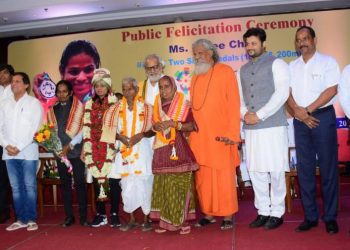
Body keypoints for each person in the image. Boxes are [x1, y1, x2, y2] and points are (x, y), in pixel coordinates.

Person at [288, 26, 340, 234]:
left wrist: (308, 110)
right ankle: (310, 216)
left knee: (328, 169)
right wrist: (299, 112)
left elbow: (332, 89)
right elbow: (287, 93)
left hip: (323, 117)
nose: (302, 42)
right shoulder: (291, 66)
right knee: (305, 170)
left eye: (306, 38)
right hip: (300, 120)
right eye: (299, 40)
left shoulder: (328, 62)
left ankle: (330, 217)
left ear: (314, 40)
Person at [238, 28, 290, 230]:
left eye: (254, 43)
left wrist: (259, 115)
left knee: (276, 169)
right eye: (247, 44)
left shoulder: (277, 64)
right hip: (251, 128)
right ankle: (263, 211)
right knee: (256, 170)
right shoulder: (242, 69)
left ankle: (277, 212)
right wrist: (244, 115)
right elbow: (239, 99)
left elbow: (282, 94)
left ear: (263, 44)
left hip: (273, 126)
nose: (250, 47)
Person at [190, 39, 240, 230]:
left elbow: (234, 104)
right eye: (194, 54)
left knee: (223, 178)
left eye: (200, 53)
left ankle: (227, 215)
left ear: (211, 53)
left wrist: (232, 134)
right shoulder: (195, 77)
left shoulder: (225, 71)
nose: (196, 57)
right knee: (203, 180)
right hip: (200, 138)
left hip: (221, 137)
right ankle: (208, 214)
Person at [101, 77, 154, 232]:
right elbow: (108, 131)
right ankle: (131, 219)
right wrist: (120, 137)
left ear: (137, 90)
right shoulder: (114, 109)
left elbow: (154, 129)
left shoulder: (147, 107)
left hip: (142, 150)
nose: (126, 92)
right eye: (124, 89)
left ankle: (147, 219)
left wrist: (142, 134)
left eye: (130, 88)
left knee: (145, 183)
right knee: (126, 185)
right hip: (123, 151)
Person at [150, 75, 198, 234]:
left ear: (174, 87)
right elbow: (152, 128)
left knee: (179, 187)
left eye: (166, 86)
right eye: (161, 87)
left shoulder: (183, 104)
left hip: (178, 150)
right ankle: (165, 222)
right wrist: (155, 127)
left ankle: (182, 221)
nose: (163, 90)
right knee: (163, 186)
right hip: (160, 150)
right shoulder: (156, 106)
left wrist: (174, 124)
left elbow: (191, 126)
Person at [0, 72, 43, 231]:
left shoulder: (34, 103)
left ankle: (31, 218)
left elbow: (35, 129)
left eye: (17, 81)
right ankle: (20, 218)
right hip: (8, 152)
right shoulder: (4, 104)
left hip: (27, 152)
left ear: (26, 85)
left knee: (29, 186)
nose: (13, 84)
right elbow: (0, 128)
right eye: (12, 81)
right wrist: (6, 145)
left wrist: (18, 146)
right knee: (16, 187)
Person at [81, 68, 121, 228]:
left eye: (102, 85)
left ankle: (115, 214)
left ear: (108, 87)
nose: (99, 89)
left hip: (111, 147)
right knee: (97, 180)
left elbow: (119, 126)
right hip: (93, 147)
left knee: (113, 180)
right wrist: (86, 147)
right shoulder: (89, 104)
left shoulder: (115, 103)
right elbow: (86, 128)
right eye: (97, 85)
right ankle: (101, 214)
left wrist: (115, 146)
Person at [47, 80, 89, 227]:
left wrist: (70, 146)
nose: (61, 94)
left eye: (65, 91)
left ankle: (83, 217)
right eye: (59, 91)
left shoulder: (79, 108)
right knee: (64, 185)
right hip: (60, 154)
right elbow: (50, 130)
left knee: (79, 184)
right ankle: (69, 216)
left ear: (71, 92)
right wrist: (54, 145)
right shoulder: (53, 109)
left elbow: (84, 129)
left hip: (76, 152)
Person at [34, 40, 100, 104]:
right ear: (62, 72)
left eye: (88, 70)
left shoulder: (107, 102)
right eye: (74, 72)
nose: (81, 78)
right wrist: (43, 102)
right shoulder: (52, 104)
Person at [0, 64, 14, 224]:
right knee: (1, 178)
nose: (2, 76)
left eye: (5, 73)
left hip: (12, 140)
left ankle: (18, 211)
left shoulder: (16, 91)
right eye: (0, 74)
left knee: (11, 178)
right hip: (0, 139)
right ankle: (2, 210)